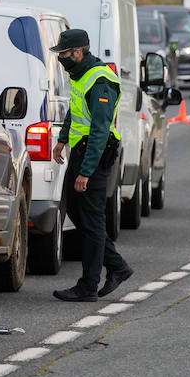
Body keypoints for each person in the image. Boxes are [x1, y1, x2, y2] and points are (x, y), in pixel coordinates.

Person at [49, 28, 133, 301]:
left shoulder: (100, 81)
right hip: (80, 150)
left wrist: (86, 171)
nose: (61, 58)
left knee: (93, 220)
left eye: (64, 53)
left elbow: (99, 128)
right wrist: (62, 139)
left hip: (94, 154)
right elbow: (76, 111)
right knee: (76, 211)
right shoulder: (81, 74)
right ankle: (117, 266)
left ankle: (88, 286)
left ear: (78, 51)